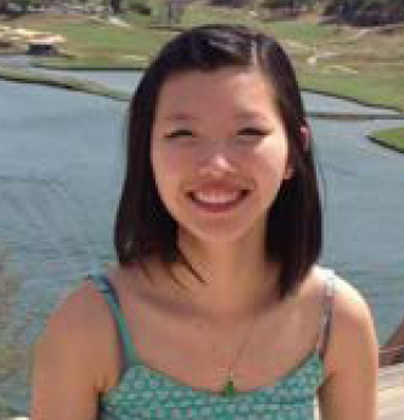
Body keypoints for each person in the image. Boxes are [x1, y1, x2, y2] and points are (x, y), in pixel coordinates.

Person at [31, 24, 378, 419]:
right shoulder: (90, 322)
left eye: (248, 132)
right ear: (147, 152)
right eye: (183, 133)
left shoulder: (336, 321)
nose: (216, 165)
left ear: (294, 152)